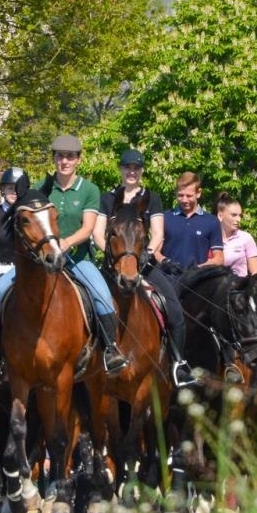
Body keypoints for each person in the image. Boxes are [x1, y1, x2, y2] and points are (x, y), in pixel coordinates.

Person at [0, 134, 126, 375]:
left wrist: (67, 242)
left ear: (78, 160)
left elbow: (88, 228)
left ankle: (111, 350)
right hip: (40, 262)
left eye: (70, 157)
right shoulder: (41, 187)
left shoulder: (89, 190)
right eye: (60, 156)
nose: (64, 161)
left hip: (78, 260)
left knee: (103, 298)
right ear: (54, 159)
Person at [95, 148, 195, 387]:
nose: (131, 172)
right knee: (88, 304)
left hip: (143, 264)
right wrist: (113, 257)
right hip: (112, 264)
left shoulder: (152, 197)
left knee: (174, 310)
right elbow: (98, 233)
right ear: (120, 169)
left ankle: (178, 363)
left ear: (141, 171)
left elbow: (158, 233)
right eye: (127, 167)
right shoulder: (108, 198)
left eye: (136, 168)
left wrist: (144, 256)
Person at [160, 172, 223, 273]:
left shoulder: (212, 221)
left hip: (197, 283)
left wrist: (198, 269)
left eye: (189, 196)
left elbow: (219, 258)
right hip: (168, 280)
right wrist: (165, 262)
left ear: (198, 193)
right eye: (180, 195)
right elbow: (154, 252)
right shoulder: (164, 218)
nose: (184, 200)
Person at [215, 193, 257, 279]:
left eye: (240, 215)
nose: (239, 219)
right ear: (220, 216)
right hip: (214, 290)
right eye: (234, 215)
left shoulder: (246, 238)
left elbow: (256, 272)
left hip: (239, 289)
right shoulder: (209, 238)